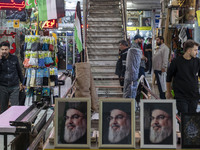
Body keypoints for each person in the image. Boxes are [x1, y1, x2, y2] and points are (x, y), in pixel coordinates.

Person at [166, 40, 200, 115]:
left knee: (192, 117)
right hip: (181, 95)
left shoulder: (197, 61)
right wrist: (168, 92)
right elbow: (169, 77)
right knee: (184, 116)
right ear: (188, 50)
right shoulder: (176, 62)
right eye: (195, 50)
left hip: (194, 95)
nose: (197, 52)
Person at [0, 41, 24, 113]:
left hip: (14, 86)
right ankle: (3, 123)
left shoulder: (14, 58)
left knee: (15, 107)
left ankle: (14, 123)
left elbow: (19, 71)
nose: (4, 51)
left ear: (9, 50)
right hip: (3, 86)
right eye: (2, 49)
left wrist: (23, 83)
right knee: (3, 108)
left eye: (6, 49)